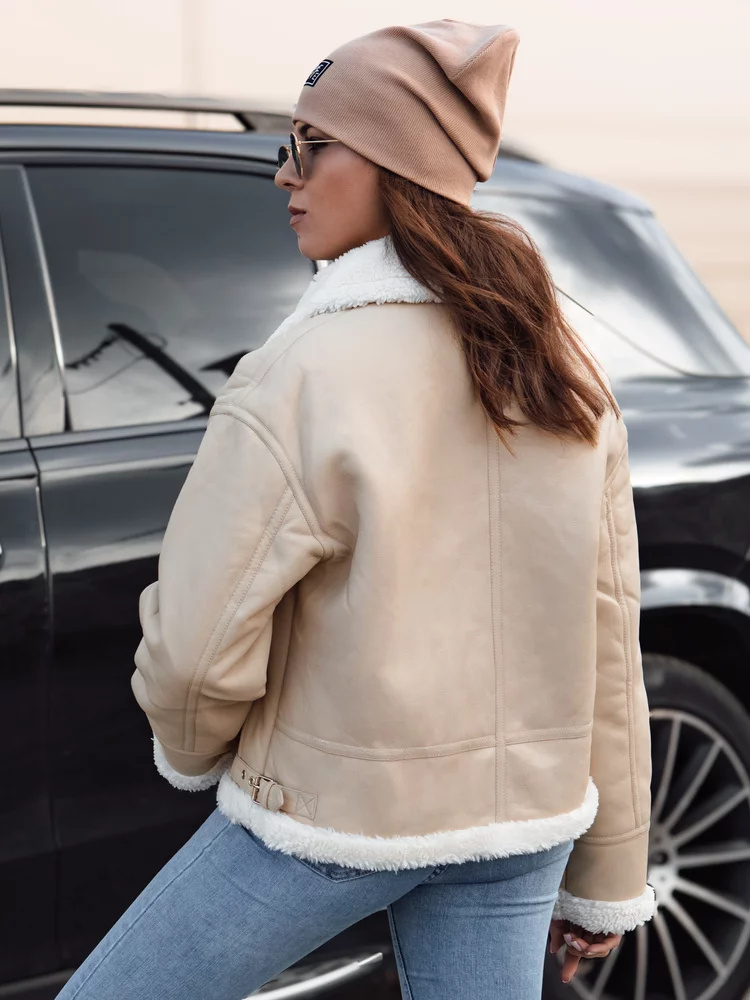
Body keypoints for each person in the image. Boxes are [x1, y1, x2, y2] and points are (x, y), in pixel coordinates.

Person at [54, 18, 655, 1000]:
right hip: (521, 831)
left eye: (309, 145)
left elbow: (198, 653)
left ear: (390, 162)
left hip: (336, 818)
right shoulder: (565, 372)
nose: (283, 175)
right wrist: (612, 876)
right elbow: (609, 636)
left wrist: (194, 750)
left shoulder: (302, 370)